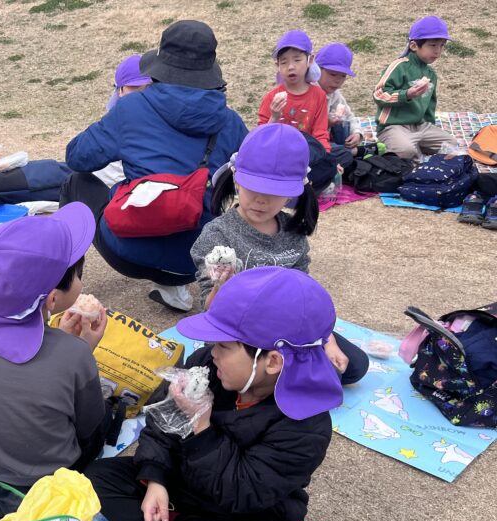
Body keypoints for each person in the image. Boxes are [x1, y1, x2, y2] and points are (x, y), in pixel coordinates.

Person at [85, 267, 344, 521]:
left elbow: (243, 492)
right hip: (180, 480)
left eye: (224, 345)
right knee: (97, 477)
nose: (213, 352)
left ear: (272, 361)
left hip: (240, 511)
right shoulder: (209, 364)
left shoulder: (306, 424)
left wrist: (202, 424)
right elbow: (161, 423)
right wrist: (155, 479)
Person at [0, 204, 118, 493]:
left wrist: (62, 342)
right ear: (52, 300)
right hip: (47, 477)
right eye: (79, 275)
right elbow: (86, 425)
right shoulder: (75, 353)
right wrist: (82, 349)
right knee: (104, 412)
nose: (81, 282)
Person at [63, 20, 247, 312]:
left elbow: (76, 157)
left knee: (75, 182)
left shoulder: (130, 108)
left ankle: (63, 285)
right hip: (196, 264)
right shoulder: (232, 123)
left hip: (128, 252)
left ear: (161, 65)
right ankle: (173, 287)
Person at [191, 123, 368, 385]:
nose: (261, 200)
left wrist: (326, 340)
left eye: (275, 192)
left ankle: (281, 377)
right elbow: (211, 311)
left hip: (285, 326)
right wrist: (221, 286)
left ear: (291, 195)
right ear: (237, 181)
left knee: (353, 366)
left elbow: (303, 297)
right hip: (239, 334)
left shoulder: (292, 232)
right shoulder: (218, 234)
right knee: (217, 371)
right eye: (252, 188)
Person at [59, 55, 153, 221]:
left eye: (146, 88)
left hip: (131, 214)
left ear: (120, 91)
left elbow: (76, 156)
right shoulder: (177, 115)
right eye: (136, 88)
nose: (141, 94)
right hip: (176, 212)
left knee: (72, 180)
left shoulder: (124, 118)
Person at [373, 15, 458, 161]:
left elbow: (430, 106)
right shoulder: (399, 66)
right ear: (413, 46)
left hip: (420, 126)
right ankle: (404, 147)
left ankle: (416, 146)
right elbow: (379, 94)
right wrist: (406, 94)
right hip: (393, 126)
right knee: (405, 151)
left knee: (451, 145)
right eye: (433, 45)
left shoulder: (430, 74)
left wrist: (430, 127)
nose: (438, 51)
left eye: (442, 45)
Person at [258, 30, 330, 152]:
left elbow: (320, 135)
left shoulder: (319, 96)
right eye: (284, 62)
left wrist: (326, 157)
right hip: (278, 153)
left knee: (342, 155)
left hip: (307, 153)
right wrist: (274, 117)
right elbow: (261, 139)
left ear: (310, 60)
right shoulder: (271, 98)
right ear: (278, 66)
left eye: (297, 60)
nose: (290, 67)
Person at [315, 42, 371, 165]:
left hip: (330, 140)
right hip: (314, 142)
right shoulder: (310, 91)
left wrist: (357, 133)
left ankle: (350, 151)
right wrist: (326, 122)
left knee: (344, 121)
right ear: (317, 69)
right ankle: (356, 152)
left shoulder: (335, 95)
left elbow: (350, 116)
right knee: (340, 155)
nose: (337, 80)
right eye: (332, 74)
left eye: (343, 76)